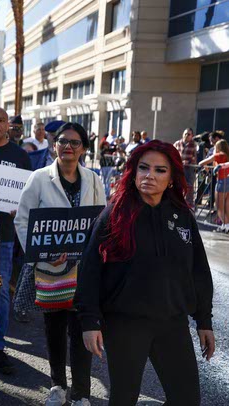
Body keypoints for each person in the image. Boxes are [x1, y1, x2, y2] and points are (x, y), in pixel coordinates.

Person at [76, 140, 215, 405]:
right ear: (134, 171)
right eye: (144, 168)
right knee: (123, 398)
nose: (150, 175)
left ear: (172, 177)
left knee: (186, 399)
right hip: (125, 324)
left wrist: (204, 321)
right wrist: (89, 321)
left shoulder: (183, 216)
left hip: (172, 324)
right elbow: (89, 271)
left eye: (160, 170)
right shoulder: (112, 215)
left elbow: (199, 271)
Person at [14, 122, 106, 406]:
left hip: (84, 271)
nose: (68, 147)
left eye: (75, 143)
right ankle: (57, 386)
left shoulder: (94, 179)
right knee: (54, 329)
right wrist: (42, 251)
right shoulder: (39, 178)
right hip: (51, 270)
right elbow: (23, 220)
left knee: (82, 331)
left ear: (83, 149)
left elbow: (101, 220)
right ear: (54, 145)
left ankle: (81, 393)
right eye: (63, 141)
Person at [0, 106, 32, 375]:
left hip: (3, 235)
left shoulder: (20, 156)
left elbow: (27, 193)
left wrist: (20, 207)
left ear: (8, 125)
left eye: (2, 120)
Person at [200, 139, 229, 231]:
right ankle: (225, 225)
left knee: (219, 206)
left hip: (221, 180)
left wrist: (207, 169)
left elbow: (201, 163)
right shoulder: (227, 155)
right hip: (228, 179)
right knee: (226, 205)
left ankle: (226, 226)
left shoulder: (217, 155)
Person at [174, 127, 197, 207]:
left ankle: (189, 203)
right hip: (178, 167)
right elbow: (173, 155)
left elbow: (195, 157)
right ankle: (178, 200)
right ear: (182, 134)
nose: (187, 135)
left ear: (192, 136)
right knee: (177, 184)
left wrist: (189, 161)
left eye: (189, 134)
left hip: (189, 167)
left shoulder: (193, 144)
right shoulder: (177, 143)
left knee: (189, 185)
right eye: (185, 134)